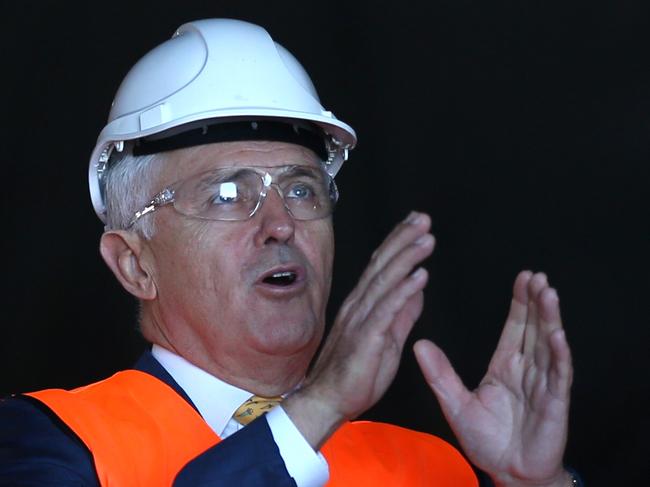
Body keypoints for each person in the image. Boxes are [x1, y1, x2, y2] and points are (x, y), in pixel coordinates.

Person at [0, 18, 581, 486]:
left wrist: (536, 484)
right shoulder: (45, 440)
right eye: (227, 194)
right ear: (135, 263)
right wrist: (318, 405)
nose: (279, 224)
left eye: (301, 189)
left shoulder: (431, 469)